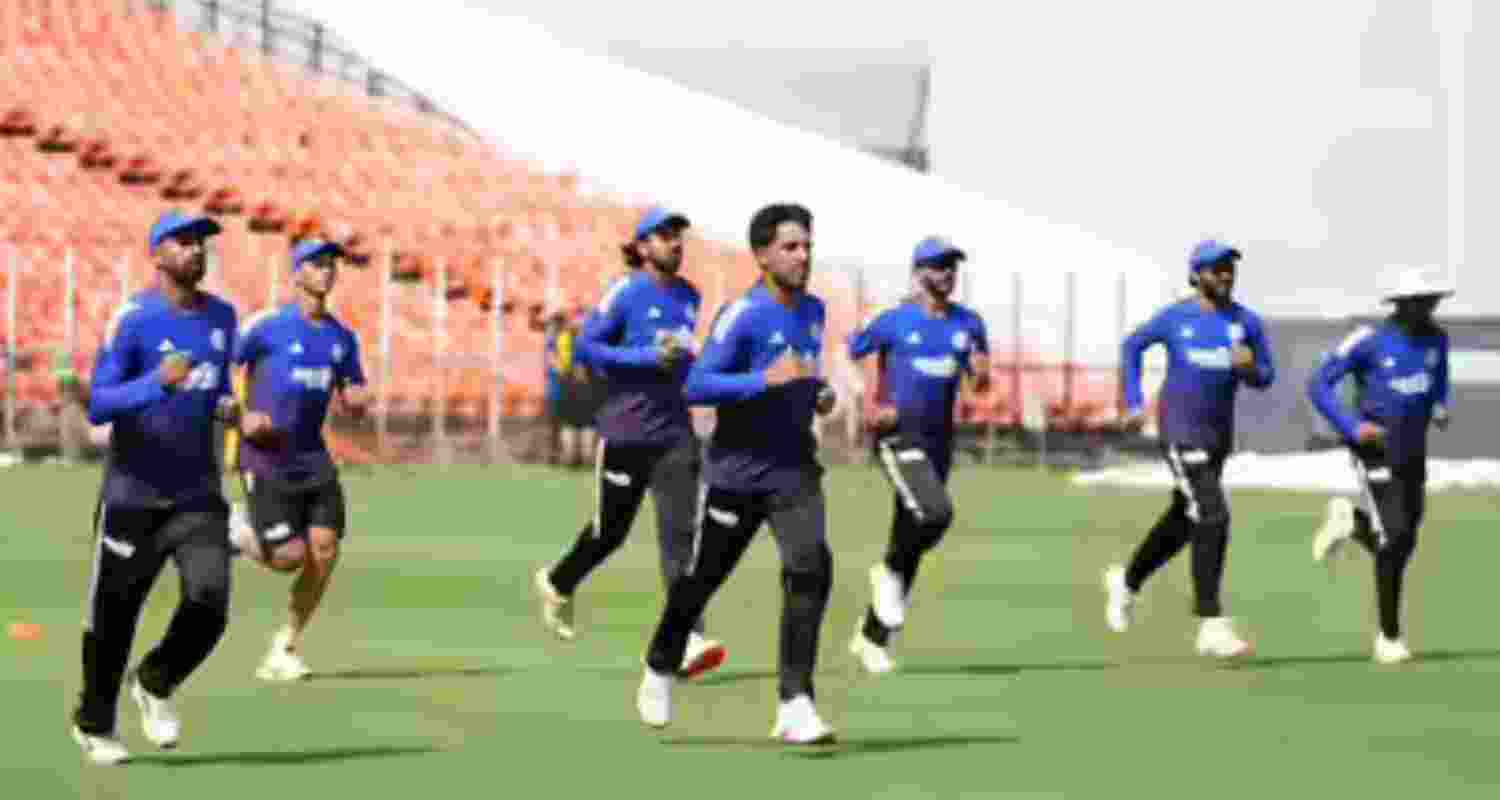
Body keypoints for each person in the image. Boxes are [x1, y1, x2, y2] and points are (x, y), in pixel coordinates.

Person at [635, 203, 838, 744]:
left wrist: (817, 393)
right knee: (702, 580)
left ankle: (795, 702)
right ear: (763, 255)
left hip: (794, 470)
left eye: (807, 245)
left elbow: (800, 374)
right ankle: (659, 663)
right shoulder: (742, 314)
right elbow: (697, 386)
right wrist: (764, 381)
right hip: (736, 474)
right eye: (791, 246)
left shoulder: (815, 310)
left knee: (811, 568)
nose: (803, 255)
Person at [72, 210, 248, 765]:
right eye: (183, 242)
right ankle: (94, 723)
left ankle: (154, 680)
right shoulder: (133, 319)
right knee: (113, 620)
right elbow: (100, 404)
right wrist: (155, 382)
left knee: (211, 602)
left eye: (202, 243)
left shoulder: (224, 317)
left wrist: (225, 406)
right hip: (133, 496)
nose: (197, 251)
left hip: (197, 495)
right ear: (156, 255)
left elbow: (214, 388)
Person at [532, 207, 727, 678]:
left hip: (676, 434)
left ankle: (684, 640)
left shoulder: (690, 296)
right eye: (664, 236)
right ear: (642, 247)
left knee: (683, 539)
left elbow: (679, 357)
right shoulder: (624, 293)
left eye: (679, 235)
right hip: (625, 432)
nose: (675, 244)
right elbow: (587, 349)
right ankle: (558, 581)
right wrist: (646, 356)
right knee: (610, 533)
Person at [1103, 239, 1275, 658]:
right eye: (1216, 269)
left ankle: (1126, 582)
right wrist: (1134, 399)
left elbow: (1266, 376)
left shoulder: (1246, 322)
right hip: (1180, 433)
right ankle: (1210, 622)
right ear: (1196, 275)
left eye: (1230, 268)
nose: (1226, 276)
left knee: (1185, 517)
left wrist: (1249, 367)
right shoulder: (1176, 318)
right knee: (1213, 514)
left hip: (1218, 439)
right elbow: (1132, 346)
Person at [226, 240, 369, 681]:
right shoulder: (266, 327)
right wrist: (241, 414)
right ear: (297, 273)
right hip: (265, 459)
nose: (327, 272)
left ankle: (283, 647)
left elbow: (352, 389)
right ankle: (235, 531)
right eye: (317, 264)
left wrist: (357, 398)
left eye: (332, 265)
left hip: (313, 458)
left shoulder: (341, 337)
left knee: (325, 551)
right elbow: (222, 370)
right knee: (289, 557)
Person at [846, 237, 990, 674]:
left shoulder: (969, 323)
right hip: (897, 438)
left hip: (938, 442)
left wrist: (980, 376)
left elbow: (977, 378)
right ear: (919, 272)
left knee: (910, 535)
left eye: (952, 266)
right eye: (939, 266)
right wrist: (867, 402)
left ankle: (872, 638)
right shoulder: (893, 320)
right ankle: (886, 576)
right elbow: (851, 352)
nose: (948, 273)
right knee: (935, 514)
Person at [1307, 267, 1452, 664]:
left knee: (1403, 539)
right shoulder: (1367, 341)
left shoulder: (1438, 339)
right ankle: (1389, 638)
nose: (1431, 308)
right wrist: (1352, 426)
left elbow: (1439, 379)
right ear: (1401, 304)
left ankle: (1352, 523)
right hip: (1374, 452)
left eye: (1434, 300)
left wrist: (1439, 404)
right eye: (1422, 301)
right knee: (1396, 533)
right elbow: (1318, 384)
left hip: (1414, 451)